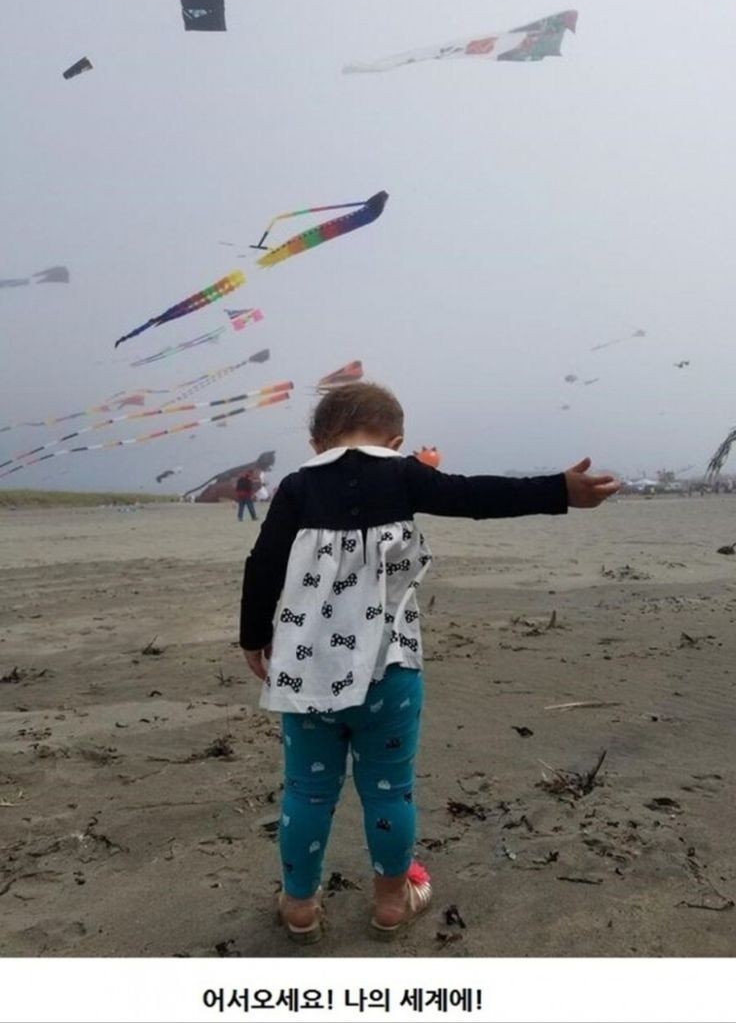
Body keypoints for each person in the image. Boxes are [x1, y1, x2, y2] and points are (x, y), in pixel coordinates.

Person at [240, 383, 619, 943]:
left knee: (307, 792)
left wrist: (253, 637)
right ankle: (392, 901)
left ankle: (299, 905)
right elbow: (477, 496)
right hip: (390, 671)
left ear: (316, 443)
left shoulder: (297, 486)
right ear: (397, 441)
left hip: (308, 672)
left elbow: (263, 563)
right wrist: (559, 489)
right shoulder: (403, 475)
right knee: (388, 790)